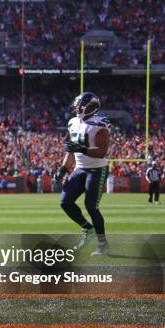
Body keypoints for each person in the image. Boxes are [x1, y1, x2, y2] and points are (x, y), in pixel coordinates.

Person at [54, 92, 111, 256]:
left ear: (89, 107)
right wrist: (62, 170)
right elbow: (71, 151)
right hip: (79, 168)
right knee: (65, 202)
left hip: (97, 169)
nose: (76, 108)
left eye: (79, 105)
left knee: (91, 206)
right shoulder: (73, 122)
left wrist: (82, 149)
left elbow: (102, 151)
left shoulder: (100, 123)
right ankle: (87, 228)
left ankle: (103, 244)